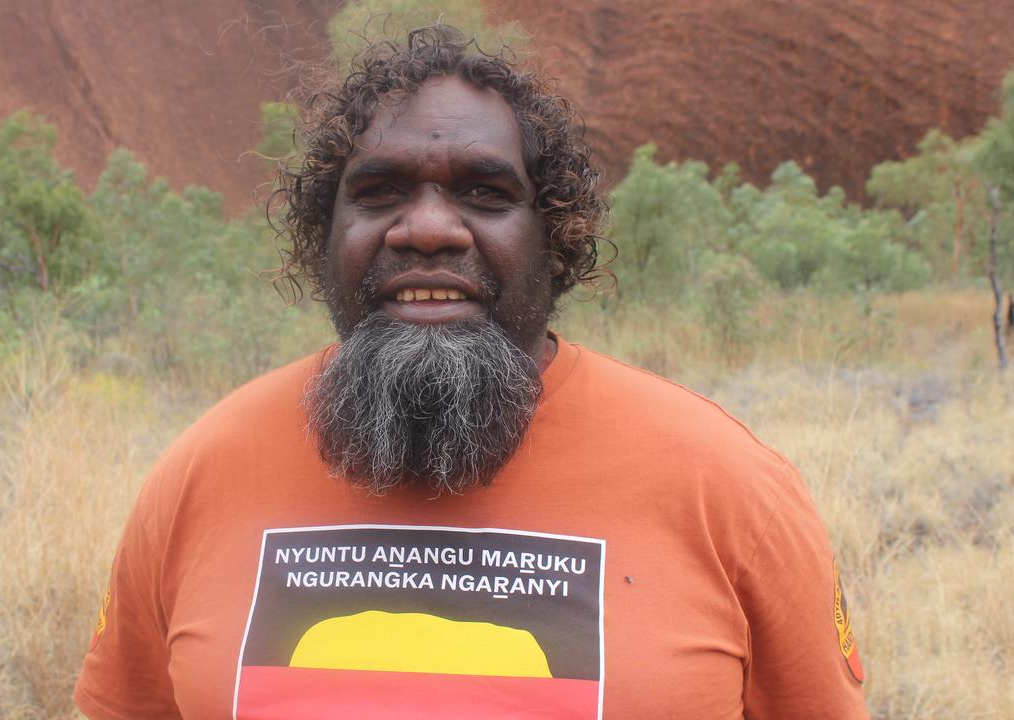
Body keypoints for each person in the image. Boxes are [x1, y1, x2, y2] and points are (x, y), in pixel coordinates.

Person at [74, 24, 868, 720]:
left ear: (554, 238)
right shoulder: (201, 472)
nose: (425, 230)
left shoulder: (728, 486)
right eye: (378, 191)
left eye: (486, 193)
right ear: (324, 233)